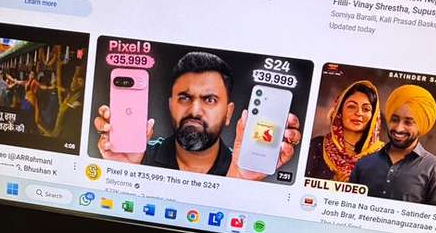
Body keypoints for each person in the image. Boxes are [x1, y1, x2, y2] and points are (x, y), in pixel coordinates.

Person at [94, 51, 300, 179]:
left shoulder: (242, 166)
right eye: (184, 98)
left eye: (209, 99)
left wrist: (238, 180)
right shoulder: (137, 157)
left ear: (228, 113)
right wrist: (123, 173)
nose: (194, 110)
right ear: (170, 106)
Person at [349, 84, 436, 207]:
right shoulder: (364, 163)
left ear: (421, 125)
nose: (399, 128)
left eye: (408, 122)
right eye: (394, 120)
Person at [306, 80, 383, 181]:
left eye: (366, 109)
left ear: (374, 116)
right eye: (352, 106)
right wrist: (331, 185)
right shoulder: (317, 146)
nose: (359, 113)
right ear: (339, 111)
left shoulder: (383, 155)